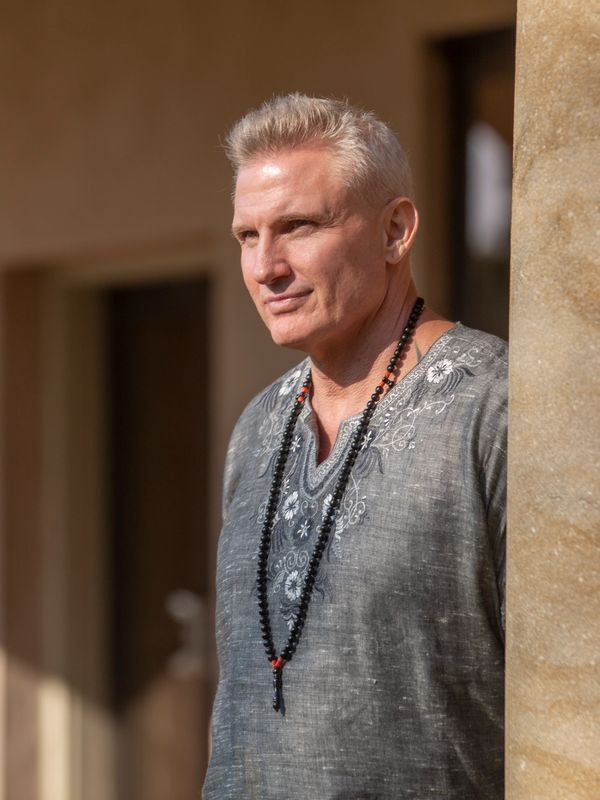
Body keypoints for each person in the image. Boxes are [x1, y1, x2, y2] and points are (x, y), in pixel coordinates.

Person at [203, 94, 506, 799]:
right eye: (247, 237)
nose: (266, 266)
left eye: (298, 227)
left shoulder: (494, 408)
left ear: (395, 231)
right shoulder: (259, 427)